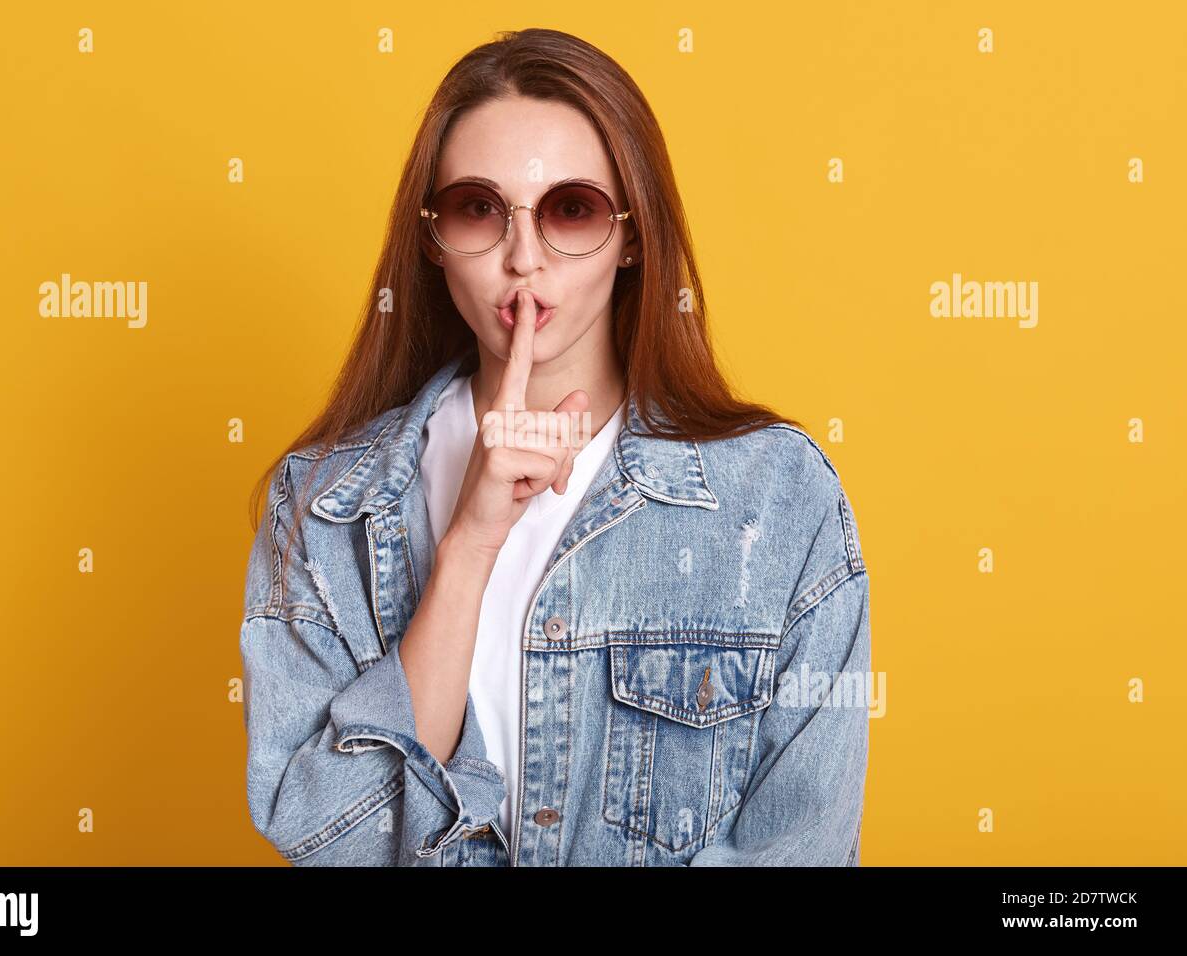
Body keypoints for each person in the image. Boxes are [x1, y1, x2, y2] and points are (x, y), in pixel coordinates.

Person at [239, 27, 870, 866]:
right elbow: (329, 838)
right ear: (431, 235)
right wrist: (469, 544)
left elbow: (804, 847)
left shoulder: (777, 498)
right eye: (479, 208)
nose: (523, 259)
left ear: (634, 236)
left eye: (572, 209)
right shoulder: (322, 504)